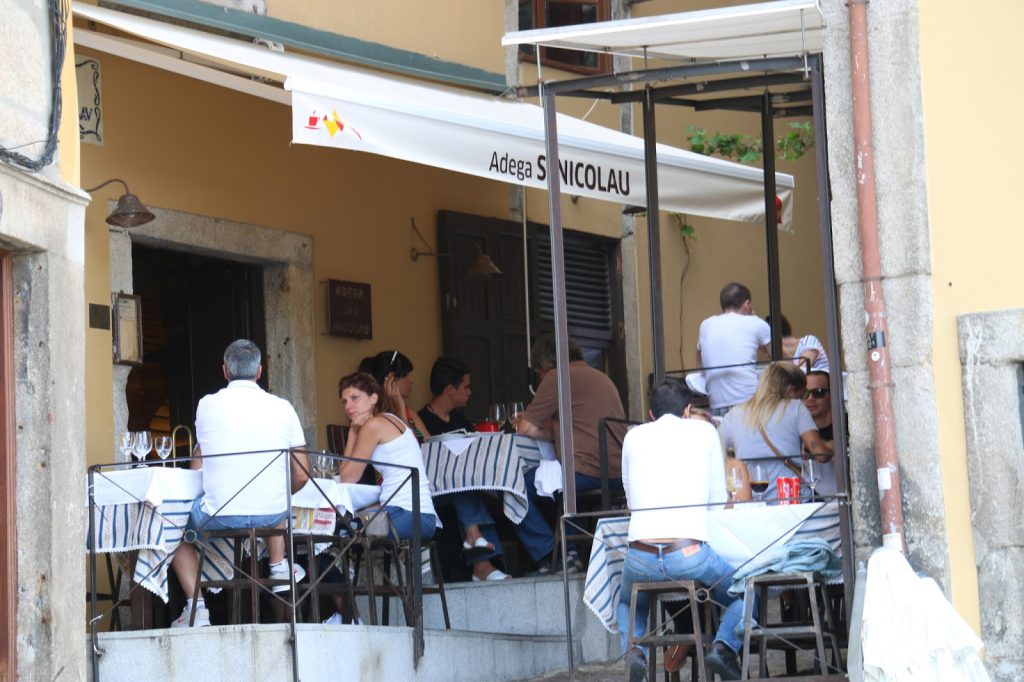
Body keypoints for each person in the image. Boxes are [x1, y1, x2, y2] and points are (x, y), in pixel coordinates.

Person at [169, 339, 309, 628]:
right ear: (260, 371)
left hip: (219, 517)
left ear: (224, 371)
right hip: (272, 518)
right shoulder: (283, 408)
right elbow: (302, 475)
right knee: (277, 500)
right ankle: (279, 567)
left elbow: (201, 461)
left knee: (170, 525)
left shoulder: (206, 405)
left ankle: (197, 609)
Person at [617, 379, 742, 681]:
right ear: (687, 410)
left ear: (650, 413)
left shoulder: (632, 436)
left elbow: (631, 501)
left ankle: (634, 652)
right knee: (743, 591)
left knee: (627, 602)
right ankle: (723, 648)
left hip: (640, 556)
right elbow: (717, 501)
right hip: (688, 553)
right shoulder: (705, 432)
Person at [418, 357, 509, 582]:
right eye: (466, 387)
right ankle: (482, 561)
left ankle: (479, 553)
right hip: (434, 491)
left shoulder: (460, 420)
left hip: (461, 489)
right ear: (450, 389)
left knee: (467, 488)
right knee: (463, 488)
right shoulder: (422, 422)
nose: (470, 392)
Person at [337, 372, 437, 542]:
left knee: (343, 531)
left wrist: (352, 433)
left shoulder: (373, 425)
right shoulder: (391, 419)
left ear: (373, 398)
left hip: (406, 515)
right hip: (420, 515)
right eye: (344, 401)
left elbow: (347, 478)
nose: (348, 406)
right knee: (347, 524)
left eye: (354, 398)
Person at [718, 362, 831, 501]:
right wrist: (833, 447)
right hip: (794, 496)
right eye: (801, 395)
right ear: (791, 390)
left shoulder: (734, 414)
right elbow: (821, 454)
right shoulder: (795, 408)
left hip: (755, 499)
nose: (804, 400)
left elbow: (716, 451)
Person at [698, 282, 772, 416]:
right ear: (747, 304)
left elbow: (699, 354)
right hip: (749, 403)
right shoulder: (755, 323)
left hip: (716, 403)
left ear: (723, 307)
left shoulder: (706, 325)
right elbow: (779, 356)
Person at [358, 350, 429, 442]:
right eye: (406, 376)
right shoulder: (371, 416)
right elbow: (408, 444)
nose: (411, 380)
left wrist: (401, 408)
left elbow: (429, 443)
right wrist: (400, 407)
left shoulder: (410, 413)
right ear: (391, 378)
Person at [803, 370, 838, 498]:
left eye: (818, 393)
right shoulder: (795, 430)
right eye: (805, 393)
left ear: (832, 394)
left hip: (842, 501)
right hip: (807, 502)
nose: (810, 399)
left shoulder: (846, 425)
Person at [766, 313, 830, 373]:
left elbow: (801, 372)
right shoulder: (781, 358)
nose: (766, 354)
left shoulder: (809, 341)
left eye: (765, 347)